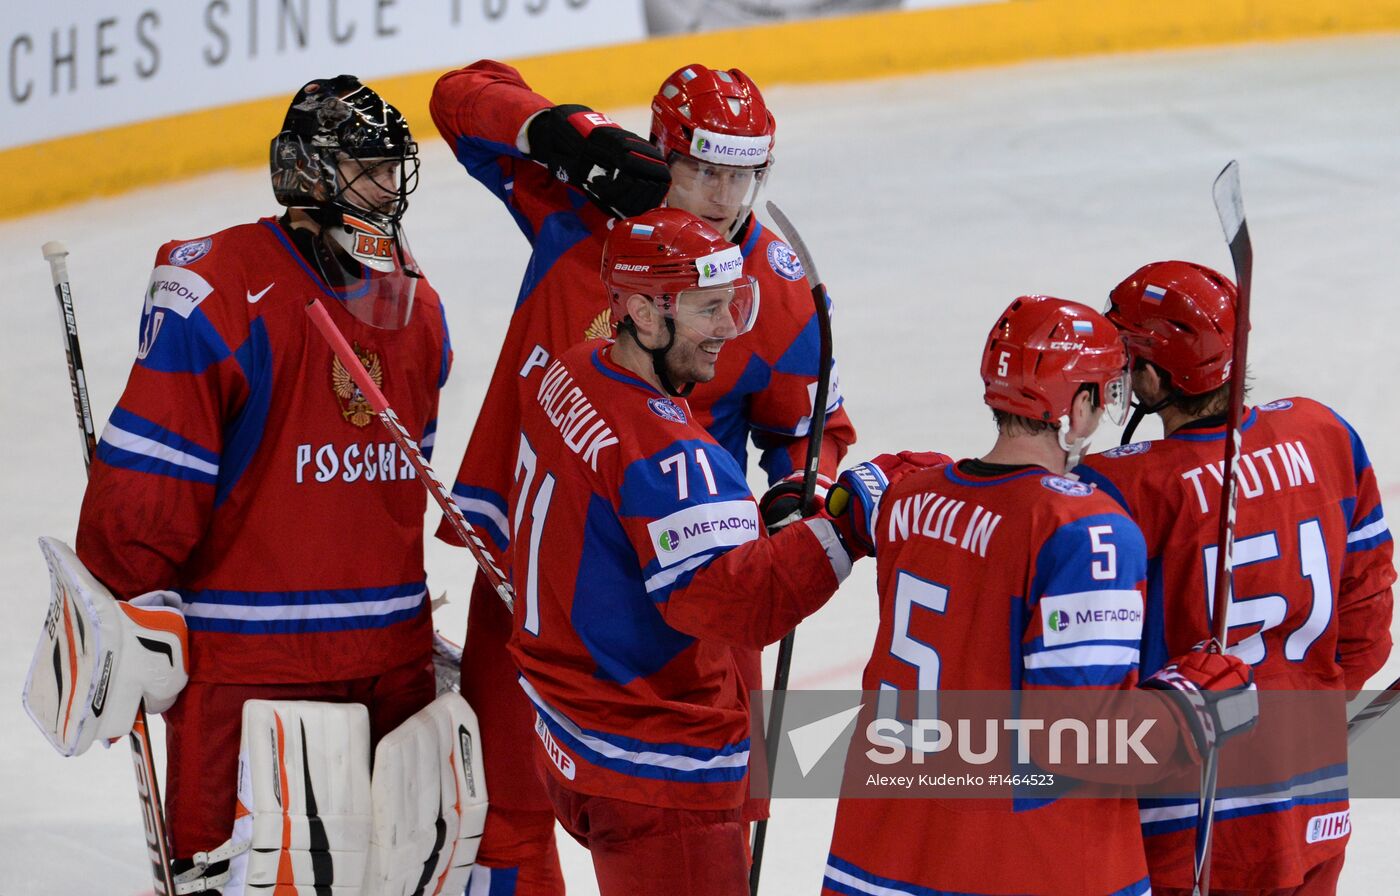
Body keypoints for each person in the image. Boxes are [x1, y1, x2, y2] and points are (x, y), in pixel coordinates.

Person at [428, 60, 857, 891]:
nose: (725, 197)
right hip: (534, 578)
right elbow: (458, 98)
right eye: (704, 169)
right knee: (507, 813)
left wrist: (789, 501)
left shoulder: (775, 288)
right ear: (661, 154)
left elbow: (807, 433)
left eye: (744, 173)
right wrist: (557, 134)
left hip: (679, 604)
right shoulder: (583, 205)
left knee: (700, 832)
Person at [73, 76, 450, 889]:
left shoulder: (419, 309)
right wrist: (131, 599)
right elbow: (152, 483)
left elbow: (396, 489)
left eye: (394, 170)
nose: (388, 190)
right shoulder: (217, 286)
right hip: (248, 671)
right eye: (366, 170)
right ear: (307, 174)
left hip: (387, 661)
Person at [821, 295, 1258, 896]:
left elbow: (876, 503)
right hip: (1024, 863)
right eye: (1103, 394)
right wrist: (1196, 709)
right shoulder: (1085, 531)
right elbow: (1083, 742)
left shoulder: (909, 496)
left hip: (879, 852)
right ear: (1078, 407)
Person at [507, 206, 885, 896]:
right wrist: (847, 522)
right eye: (709, 310)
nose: (727, 333)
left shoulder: (573, 369)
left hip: (577, 734)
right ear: (645, 315)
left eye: (732, 306)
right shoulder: (671, 460)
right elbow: (741, 607)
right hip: (657, 771)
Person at [1075, 261, 1395, 896]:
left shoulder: (1114, 488)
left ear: (1156, 376)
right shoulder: (1325, 433)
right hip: (1312, 807)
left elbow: (1085, 683)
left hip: (1183, 821)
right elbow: (1367, 639)